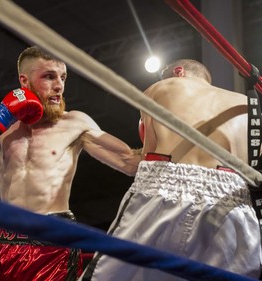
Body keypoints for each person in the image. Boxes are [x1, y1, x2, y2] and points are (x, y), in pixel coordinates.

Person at [0, 45, 139, 281]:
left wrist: (168, 136)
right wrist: (2, 115)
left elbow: (130, 162)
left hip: (53, 245)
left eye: (63, 77)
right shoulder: (4, 127)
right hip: (0, 242)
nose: (59, 85)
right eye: (49, 76)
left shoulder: (76, 123)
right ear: (24, 82)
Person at [81, 59, 262, 280]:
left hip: (167, 188)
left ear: (178, 72)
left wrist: (85, 136)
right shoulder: (247, 104)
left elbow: (148, 160)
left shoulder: (163, 87)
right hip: (233, 204)